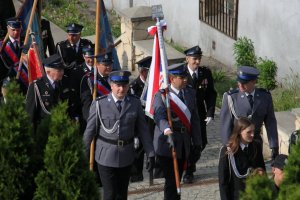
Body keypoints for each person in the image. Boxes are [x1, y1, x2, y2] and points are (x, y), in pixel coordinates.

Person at [83, 70, 155, 200]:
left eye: (124, 85)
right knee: (110, 194)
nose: (121, 89)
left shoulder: (135, 103)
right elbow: (90, 131)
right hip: (105, 155)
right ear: (111, 85)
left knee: (122, 194)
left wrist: (150, 153)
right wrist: (83, 152)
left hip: (126, 155)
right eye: (118, 85)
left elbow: (143, 130)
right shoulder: (100, 104)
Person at [152, 63, 202, 200]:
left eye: (185, 76)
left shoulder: (190, 93)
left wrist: (197, 142)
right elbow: (159, 116)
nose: (185, 79)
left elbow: (195, 119)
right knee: (172, 181)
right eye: (181, 77)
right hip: (167, 144)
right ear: (172, 78)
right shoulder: (162, 95)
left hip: (184, 143)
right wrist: (167, 130)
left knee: (177, 178)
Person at [220, 66, 279, 161]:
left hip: (256, 143)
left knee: (258, 173)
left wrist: (274, 146)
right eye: (239, 82)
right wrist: (227, 145)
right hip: (237, 144)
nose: (240, 85)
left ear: (254, 82)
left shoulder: (264, 97)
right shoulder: (231, 97)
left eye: (244, 83)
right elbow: (226, 124)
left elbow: (270, 122)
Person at [183, 45, 217, 183]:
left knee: (201, 143)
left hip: (200, 114)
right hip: (184, 113)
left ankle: (189, 164)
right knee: (186, 143)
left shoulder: (205, 73)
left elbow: (211, 94)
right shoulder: (181, 73)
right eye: (194, 59)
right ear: (187, 59)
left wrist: (210, 112)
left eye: (199, 59)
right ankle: (188, 171)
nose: (197, 62)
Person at [218, 117, 266, 200]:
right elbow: (223, 182)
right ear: (239, 132)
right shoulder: (227, 151)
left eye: (253, 131)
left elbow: (262, 168)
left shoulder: (256, 146)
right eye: (249, 132)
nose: (252, 135)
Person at [25, 54, 64, 131]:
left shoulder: (61, 84)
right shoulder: (37, 86)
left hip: (58, 130)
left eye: (62, 70)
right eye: (59, 70)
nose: (62, 72)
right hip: (43, 131)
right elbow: (30, 114)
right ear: (48, 72)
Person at [129, 56, 152, 182]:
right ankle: (136, 176)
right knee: (137, 151)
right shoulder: (134, 86)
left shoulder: (154, 84)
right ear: (142, 72)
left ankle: (157, 172)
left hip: (152, 121)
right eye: (148, 71)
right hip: (139, 123)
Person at [80, 51, 112, 122]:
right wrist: (90, 120)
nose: (108, 67)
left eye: (110, 64)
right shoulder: (90, 79)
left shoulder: (115, 78)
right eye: (105, 65)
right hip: (97, 117)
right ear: (97, 64)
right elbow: (86, 102)